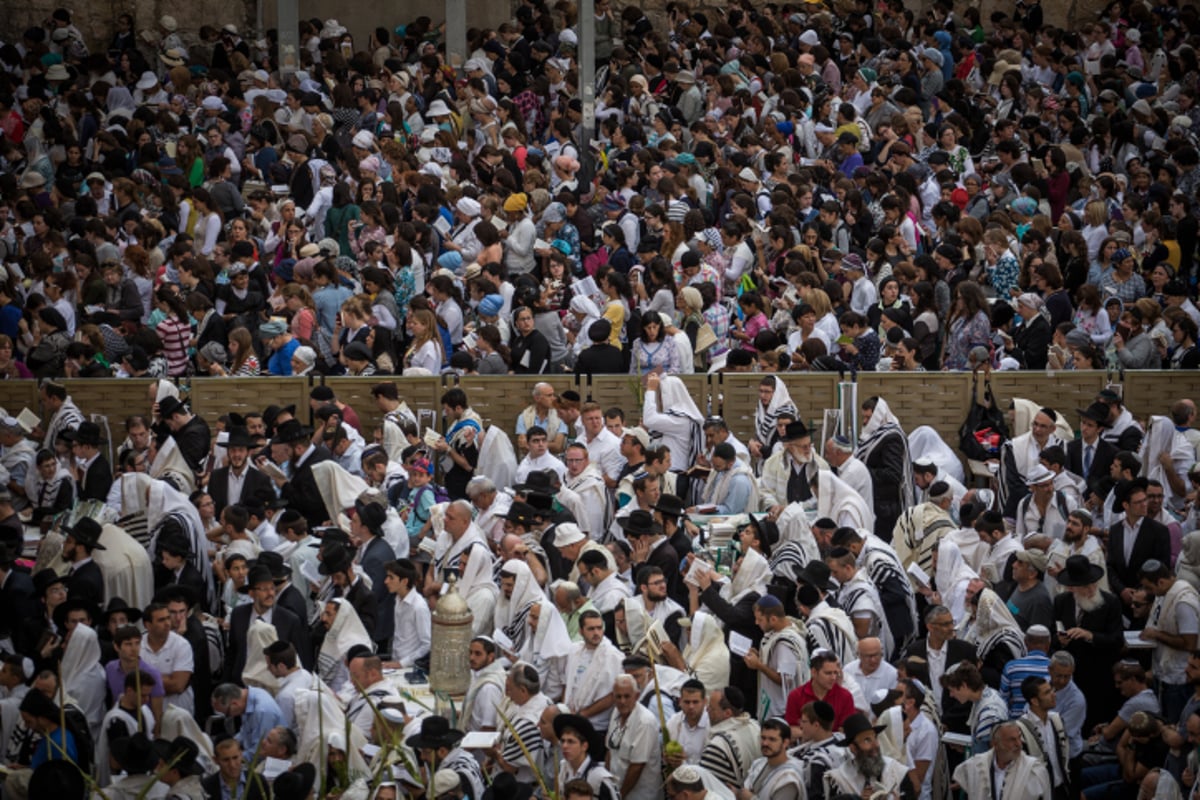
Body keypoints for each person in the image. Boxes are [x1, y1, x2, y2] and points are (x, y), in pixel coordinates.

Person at [951, 722, 1053, 800]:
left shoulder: (1034, 770)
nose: (1019, 744)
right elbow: (964, 777)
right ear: (995, 744)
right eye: (1012, 740)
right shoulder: (977, 765)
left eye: (1019, 738)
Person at [823, 712, 909, 798]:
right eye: (867, 740)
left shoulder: (895, 771)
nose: (875, 745)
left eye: (875, 737)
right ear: (853, 748)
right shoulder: (839, 780)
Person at [735, 718, 804, 800]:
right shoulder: (759, 763)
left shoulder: (789, 779)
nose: (765, 743)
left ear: (785, 743)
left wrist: (751, 798)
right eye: (763, 738)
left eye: (772, 739)